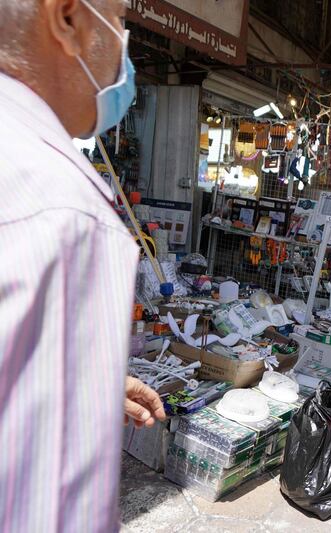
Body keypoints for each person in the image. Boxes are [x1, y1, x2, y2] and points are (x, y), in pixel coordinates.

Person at [0, 1, 165, 531]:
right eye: (119, 20)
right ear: (68, 18)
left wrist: (71, 379)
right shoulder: (66, 210)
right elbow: (47, 506)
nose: (124, 43)